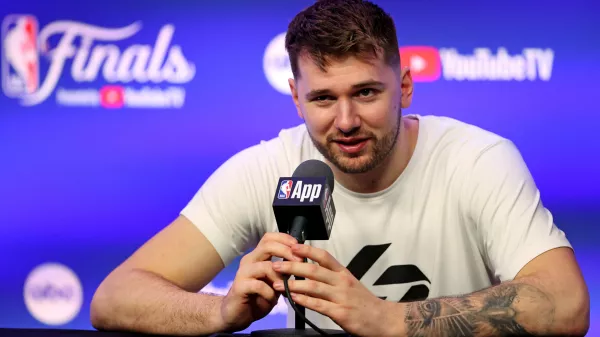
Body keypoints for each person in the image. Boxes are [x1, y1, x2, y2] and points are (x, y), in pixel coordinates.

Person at [90, 0, 590, 336]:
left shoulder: (477, 159)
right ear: (296, 98)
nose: (346, 121)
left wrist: (386, 320)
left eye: (367, 93)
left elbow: (567, 303)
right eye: (323, 98)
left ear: (406, 87)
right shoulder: (267, 168)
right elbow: (114, 297)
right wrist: (220, 312)